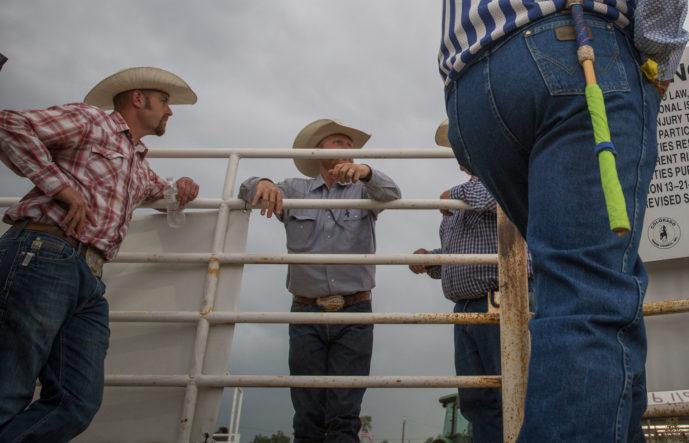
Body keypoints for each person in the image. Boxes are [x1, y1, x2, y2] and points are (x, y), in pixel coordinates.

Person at [439, 0, 689, 440]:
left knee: (580, 275)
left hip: (475, 95)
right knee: (590, 281)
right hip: (572, 56)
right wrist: (656, 53)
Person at [0, 66, 200, 442]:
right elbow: (9, 125)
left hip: (89, 275)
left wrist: (183, 186)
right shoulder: (91, 121)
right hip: (44, 250)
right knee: (9, 387)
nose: (169, 112)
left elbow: (163, 193)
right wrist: (62, 187)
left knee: (77, 401)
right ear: (138, 99)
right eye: (164, 102)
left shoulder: (138, 160)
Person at [239, 119, 401, 443]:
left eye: (349, 143)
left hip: (354, 311)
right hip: (306, 312)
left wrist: (367, 172)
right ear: (318, 150)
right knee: (307, 413)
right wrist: (264, 182)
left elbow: (392, 193)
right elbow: (247, 188)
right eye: (337, 141)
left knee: (344, 414)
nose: (346, 148)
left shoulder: (364, 189)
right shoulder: (294, 189)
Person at [409, 122, 533, 442]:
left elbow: (499, 199)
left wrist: (454, 194)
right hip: (467, 307)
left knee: (511, 388)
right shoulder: (460, 199)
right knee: (477, 397)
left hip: (500, 298)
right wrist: (433, 261)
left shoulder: (502, 177)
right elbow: (459, 252)